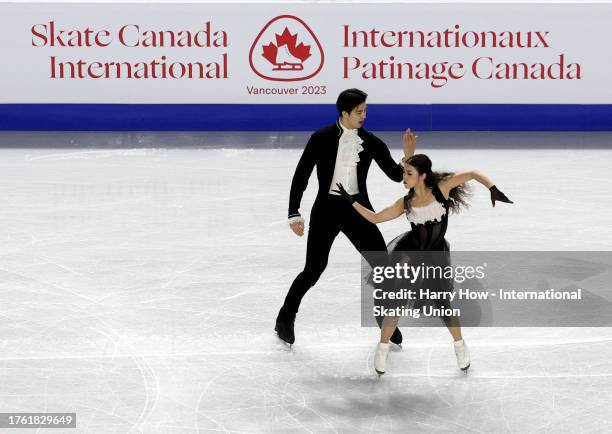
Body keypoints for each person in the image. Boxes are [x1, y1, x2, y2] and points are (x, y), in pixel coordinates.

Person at [333, 153, 513, 374]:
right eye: (404, 173)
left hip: (436, 255)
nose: (404, 178)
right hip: (410, 254)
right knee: (397, 301)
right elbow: (376, 218)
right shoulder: (406, 203)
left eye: (409, 173)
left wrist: (492, 188)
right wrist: (352, 201)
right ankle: (383, 348)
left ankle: (460, 346)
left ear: (423, 176)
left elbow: (473, 174)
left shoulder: (442, 188)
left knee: (443, 304)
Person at [275, 88, 416, 345]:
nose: (364, 116)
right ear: (345, 113)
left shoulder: (371, 142)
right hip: (326, 211)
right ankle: (285, 317)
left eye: (365, 111)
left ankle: (384, 318)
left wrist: (408, 156)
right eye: (359, 112)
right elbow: (302, 174)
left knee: (383, 268)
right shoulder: (321, 138)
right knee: (314, 269)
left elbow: (397, 176)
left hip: (358, 211)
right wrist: (294, 212)